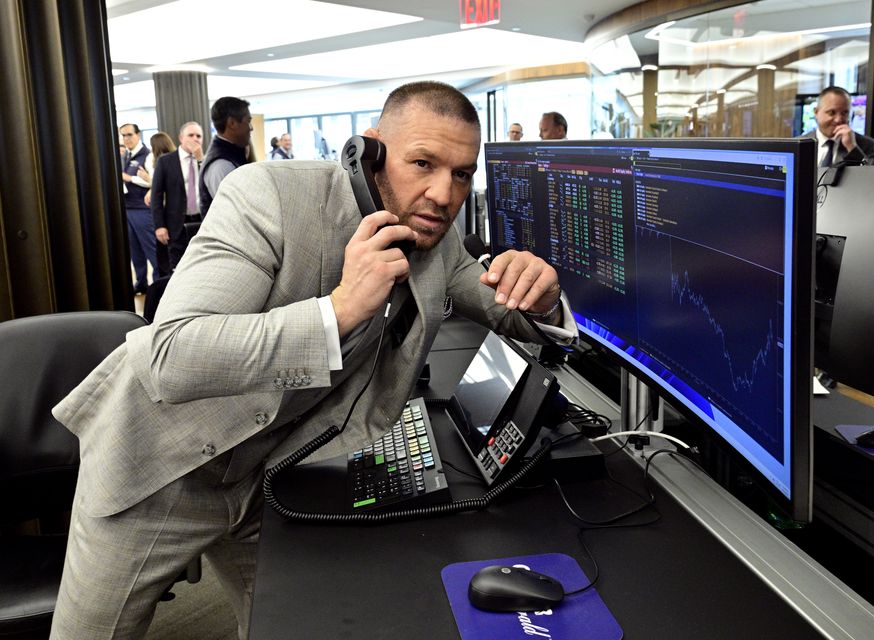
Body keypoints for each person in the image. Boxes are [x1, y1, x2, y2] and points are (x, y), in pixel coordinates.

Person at [50, 80, 575, 639]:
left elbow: (506, 309)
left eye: (462, 174)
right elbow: (172, 354)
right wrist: (339, 311)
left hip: (269, 476)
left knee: (289, 625)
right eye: (422, 163)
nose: (444, 195)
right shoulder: (267, 195)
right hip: (162, 466)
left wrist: (542, 296)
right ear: (369, 149)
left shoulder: (436, 237)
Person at [150, 122, 204, 273]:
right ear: (181, 138)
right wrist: (159, 225)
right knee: (178, 268)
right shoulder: (166, 161)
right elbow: (156, 195)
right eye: (190, 135)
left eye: (198, 136)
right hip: (176, 223)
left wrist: (201, 161)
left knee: (200, 266)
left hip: (201, 220)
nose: (195, 139)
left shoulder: (205, 161)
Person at [119, 123, 159, 294]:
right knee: (135, 251)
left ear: (138, 135)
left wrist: (130, 178)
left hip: (142, 209)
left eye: (129, 135)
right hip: (128, 208)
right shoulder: (126, 155)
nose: (126, 139)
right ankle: (141, 283)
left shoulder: (148, 156)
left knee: (151, 249)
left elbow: (154, 182)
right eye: (123, 136)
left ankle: (159, 284)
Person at [800, 86, 874, 167]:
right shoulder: (798, 144)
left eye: (844, 113)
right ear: (816, 112)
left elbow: (872, 176)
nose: (838, 120)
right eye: (832, 112)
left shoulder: (868, 145)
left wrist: (852, 148)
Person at [199, 96, 253, 217]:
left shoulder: (232, 154)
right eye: (248, 121)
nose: (251, 128)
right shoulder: (221, 164)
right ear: (232, 123)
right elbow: (235, 212)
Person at [138, 132, 177, 279]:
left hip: (166, 212)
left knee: (165, 255)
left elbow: (159, 187)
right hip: (171, 212)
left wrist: (150, 184)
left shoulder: (162, 162)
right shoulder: (172, 159)